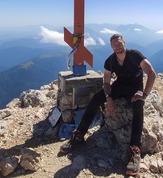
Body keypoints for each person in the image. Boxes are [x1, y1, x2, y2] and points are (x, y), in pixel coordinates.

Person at [60, 33, 156, 175]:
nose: (117, 46)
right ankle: (79, 134)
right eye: (114, 45)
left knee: (138, 106)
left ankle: (135, 149)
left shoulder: (135, 55)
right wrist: (109, 98)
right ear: (111, 47)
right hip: (119, 86)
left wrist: (144, 94)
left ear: (124, 42)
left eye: (119, 43)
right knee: (95, 100)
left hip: (135, 88)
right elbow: (106, 82)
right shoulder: (110, 61)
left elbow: (151, 73)